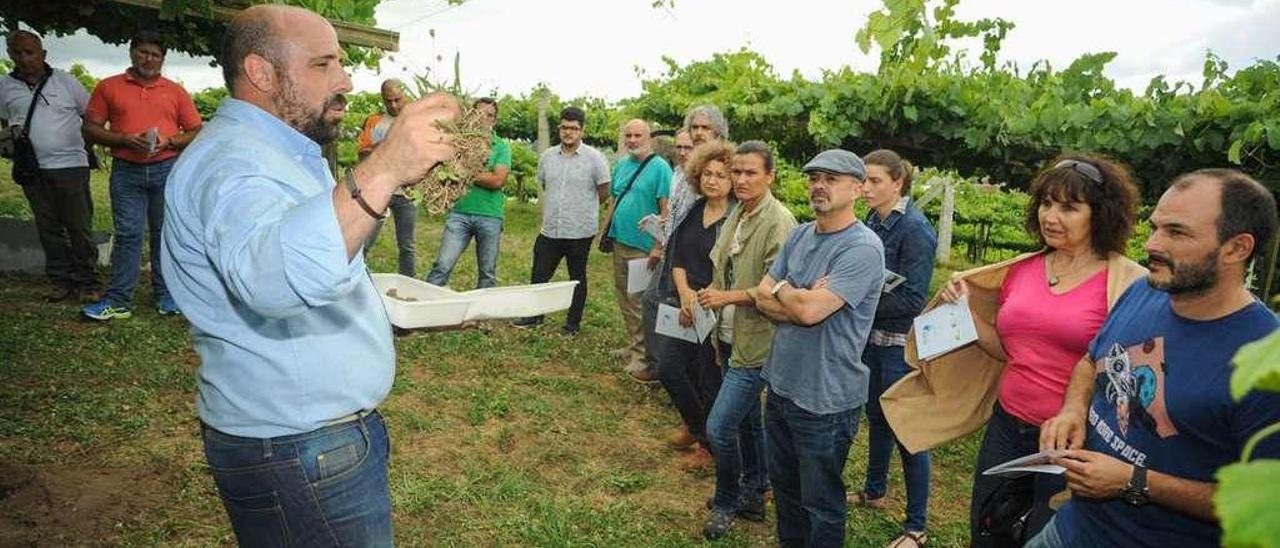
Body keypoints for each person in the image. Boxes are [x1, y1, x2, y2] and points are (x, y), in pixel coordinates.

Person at [159, 5, 459, 545]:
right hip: (300, 449)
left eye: (341, 63)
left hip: (306, 443)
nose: (345, 81)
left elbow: (315, 247)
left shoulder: (279, 151)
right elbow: (274, 281)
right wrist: (385, 166)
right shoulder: (236, 165)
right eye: (324, 64)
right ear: (262, 73)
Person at [880, 154, 1146, 545]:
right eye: (1046, 203)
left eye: (1069, 207)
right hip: (1008, 426)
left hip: (1075, 440)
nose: (1051, 216)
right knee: (990, 528)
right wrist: (963, 311)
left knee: (1048, 535)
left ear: (1101, 214)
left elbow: (1127, 374)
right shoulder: (1022, 270)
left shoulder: (1127, 284)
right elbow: (1010, 350)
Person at [1028, 170, 1280, 548]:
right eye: (1155, 227)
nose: (1152, 244)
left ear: (1236, 248)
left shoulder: (1267, 364)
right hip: (1069, 530)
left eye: (1176, 233)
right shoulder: (1143, 291)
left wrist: (1136, 480)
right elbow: (1090, 360)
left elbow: (1264, 504)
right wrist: (1073, 410)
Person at [753, 149, 884, 548]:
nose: (819, 186)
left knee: (821, 503)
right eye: (814, 178)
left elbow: (810, 313)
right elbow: (760, 295)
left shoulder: (862, 248)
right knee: (786, 492)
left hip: (825, 400)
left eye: (831, 178)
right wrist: (795, 294)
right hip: (780, 385)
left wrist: (786, 292)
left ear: (858, 189)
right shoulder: (799, 234)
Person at [699, 140, 797, 539]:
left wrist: (725, 297)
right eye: (736, 172)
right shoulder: (739, 212)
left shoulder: (779, 222)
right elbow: (726, 267)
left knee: (719, 427)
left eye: (749, 172)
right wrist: (711, 292)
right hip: (728, 334)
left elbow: (776, 289)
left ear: (770, 176)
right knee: (747, 422)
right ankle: (756, 490)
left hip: (756, 342)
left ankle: (727, 499)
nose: (740, 180)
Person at [81, 30, 202, 320]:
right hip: (126, 170)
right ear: (132, 52)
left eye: (156, 55)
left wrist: (170, 141)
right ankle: (119, 300)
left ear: (163, 59)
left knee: (166, 235)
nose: (149, 59)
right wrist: (124, 139)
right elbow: (90, 128)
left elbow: (196, 130)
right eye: (144, 52)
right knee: (128, 235)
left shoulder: (174, 91)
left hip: (166, 169)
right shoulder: (108, 87)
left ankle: (168, 296)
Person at [851, 150, 937, 547]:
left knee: (908, 431)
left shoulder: (915, 229)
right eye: (863, 181)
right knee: (877, 417)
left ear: (897, 183)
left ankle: (916, 527)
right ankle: (874, 490)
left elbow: (912, 300)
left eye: (873, 181)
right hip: (873, 340)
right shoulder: (874, 221)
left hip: (899, 346)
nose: (864, 188)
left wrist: (857, 301)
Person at [0, 30, 98, 302]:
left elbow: (90, 117)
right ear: (10, 55)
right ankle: (60, 279)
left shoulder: (67, 82)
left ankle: (87, 280)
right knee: (48, 226)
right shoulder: (4, 86)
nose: (24, 58)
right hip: (32, 169)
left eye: (29, 52)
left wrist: (86, 151)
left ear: (43, 54)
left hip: (70, 165)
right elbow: (6, 121)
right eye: (17, 52)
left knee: (78, 225)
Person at [655, 140, 735, 470]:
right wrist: (685, 294)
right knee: (669, 370)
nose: (712, 180)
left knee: (709, 378)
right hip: (686, 303)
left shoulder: (736, 219)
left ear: (733, 181)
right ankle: (697, 429)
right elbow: (678, 258)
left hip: (717, 307)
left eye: (720, 175)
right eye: (707, 174)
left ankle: (710, 446)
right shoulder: (694, 211)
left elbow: (735, 271)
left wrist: (702, 301)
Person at [512, 106, 611, 335]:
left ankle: (572, 324)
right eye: (565, 127)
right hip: (550, 230)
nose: (568, 132)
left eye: (574, 128)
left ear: (582, 131)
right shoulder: (547, 157)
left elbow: (604, 191)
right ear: (559, 128)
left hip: (580, 231)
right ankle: (534, 316)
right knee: (538, 275)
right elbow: (546, 185)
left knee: (576, 279)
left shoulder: (595, 159)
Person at [602, 118, 672, 381]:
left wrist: (658, 245)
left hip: (643, 248)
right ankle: (634, 345)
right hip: (621, 241)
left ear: (649, 137)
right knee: (624, 296)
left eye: (637, 136)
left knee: (639, 300)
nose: (632, 140)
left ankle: (643, 355)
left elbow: (666, 210)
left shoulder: (660, 168)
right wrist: (606, 230)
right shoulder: (622, 165)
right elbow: (616, 199)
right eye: (628, 135)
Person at [425, 97, 512, 289]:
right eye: (480, 114)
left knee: (487, 273)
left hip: (490, 216)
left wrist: (464, 171)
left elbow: (497, 180)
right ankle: (424, 308)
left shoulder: (501, 146)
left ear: (495, 120)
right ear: (471, 115)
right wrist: (479, 174)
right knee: (442, 265)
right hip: (459, 213)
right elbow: (443, 170)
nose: (484, 119)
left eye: (490, 116)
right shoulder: (457, 142)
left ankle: (480, 316)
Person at [358, 78, 418, 277]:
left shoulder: (417, 121)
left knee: (407, 245)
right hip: (380, 189)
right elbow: (362, 154)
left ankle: (408, 285)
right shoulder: (375, 122)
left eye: (397, 99)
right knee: (364, 240)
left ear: (406, 95)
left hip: (407, 193)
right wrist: (387, 145)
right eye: (388, 101)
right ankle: (357, 279)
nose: (393, 105)